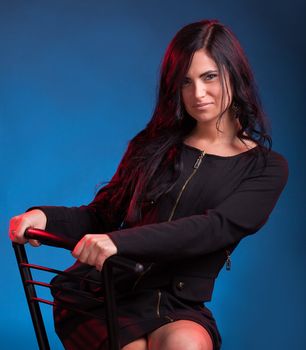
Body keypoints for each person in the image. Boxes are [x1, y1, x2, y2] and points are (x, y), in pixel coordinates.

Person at [9, 19, 288, 350]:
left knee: (187, 345)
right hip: (104, 293)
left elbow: (212, 229)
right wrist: (44, 217)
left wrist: (119, 242)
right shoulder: (152, 144)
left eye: (209, 76)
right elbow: (103, 215)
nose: (198, 93)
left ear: (234, 74)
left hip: (178, 304)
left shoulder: (266, 168)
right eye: (186, 82)